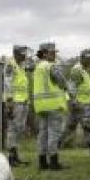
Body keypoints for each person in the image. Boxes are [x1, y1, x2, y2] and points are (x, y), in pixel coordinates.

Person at [32, 42, 69, 170]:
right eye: (53, 53)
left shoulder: (37, 67)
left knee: (43, 133)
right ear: (45, 53)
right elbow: (61, 81)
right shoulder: (50, 66)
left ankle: (42, 162)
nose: (54, 55)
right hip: (53, 105)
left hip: (40, 106)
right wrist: (67, 88)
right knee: (54, 133)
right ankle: (54, 162)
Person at [64, 49, 90, 157]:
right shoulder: (77, 70)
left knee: (70, 127)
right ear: (83, 58)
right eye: (89, 58)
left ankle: (54, 147)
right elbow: (71, 86)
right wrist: (73, 101)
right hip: (80, 103)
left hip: (81, 103)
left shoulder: (84, 70)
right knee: (87, 127)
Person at [4, 45, 30, 167]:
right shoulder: (11, 64)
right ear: (15, 53)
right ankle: (11, 157)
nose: (25, 55)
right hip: (14, 102)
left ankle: (16, 155)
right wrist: (9, 102)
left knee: (19, 128)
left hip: (23, 101)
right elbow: (8, 83)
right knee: (13, 129)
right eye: (22, 53)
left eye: (25, 53)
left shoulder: (22, 65)